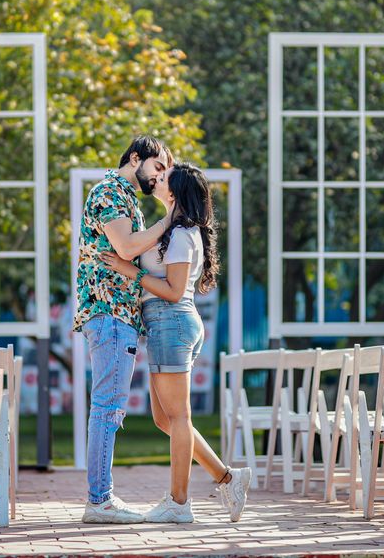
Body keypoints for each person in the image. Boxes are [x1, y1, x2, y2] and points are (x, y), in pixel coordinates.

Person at [102, 162, 251, 524]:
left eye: (165, 177)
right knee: (164, 419)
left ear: (175, 192)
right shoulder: (170, 230)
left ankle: (179, 502)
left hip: (172, 322)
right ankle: (227, 478)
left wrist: (131, 272)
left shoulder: (184, 235)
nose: (158, 178)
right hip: (163, 325)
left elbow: (172, 292)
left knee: (179, 417)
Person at [75, 136, 174, 524]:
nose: (160, 176)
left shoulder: (125, 198)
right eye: (158, 166)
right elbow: (127, 247)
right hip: (110, 313)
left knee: (108, 406)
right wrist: (170, 220)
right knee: (108, 407)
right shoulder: (109, 192)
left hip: (117, 316)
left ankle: (100, 498)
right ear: (136, 158)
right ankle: (99, 501)